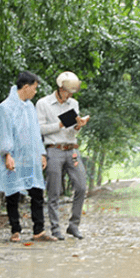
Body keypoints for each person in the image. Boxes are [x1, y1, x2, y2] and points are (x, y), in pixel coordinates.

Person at [0, 71, 53, 242]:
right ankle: (15, 230)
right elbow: (2, 133)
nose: (35, 92)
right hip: (13, 156)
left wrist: (41, 153)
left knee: (37, 192)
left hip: (30, 157)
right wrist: (7, 154)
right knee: (13, 192)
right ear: (26, 87)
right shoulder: (4, 108)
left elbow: (35, 132)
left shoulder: (29, 107)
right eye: (34, 88)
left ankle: (38, 230)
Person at [36, 71, 89, 240]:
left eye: (72, 92)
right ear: (59, 88)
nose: (69, 95)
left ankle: (74, 225)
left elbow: (73, 128)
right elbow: (39, 129)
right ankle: (55, 227)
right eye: (67, 91)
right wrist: (59, 124)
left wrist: (78, 125)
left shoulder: (73, 103)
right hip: (53, 149)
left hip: (72, 148)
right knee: (54, 191)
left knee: (81, 186)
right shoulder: (43, 103)